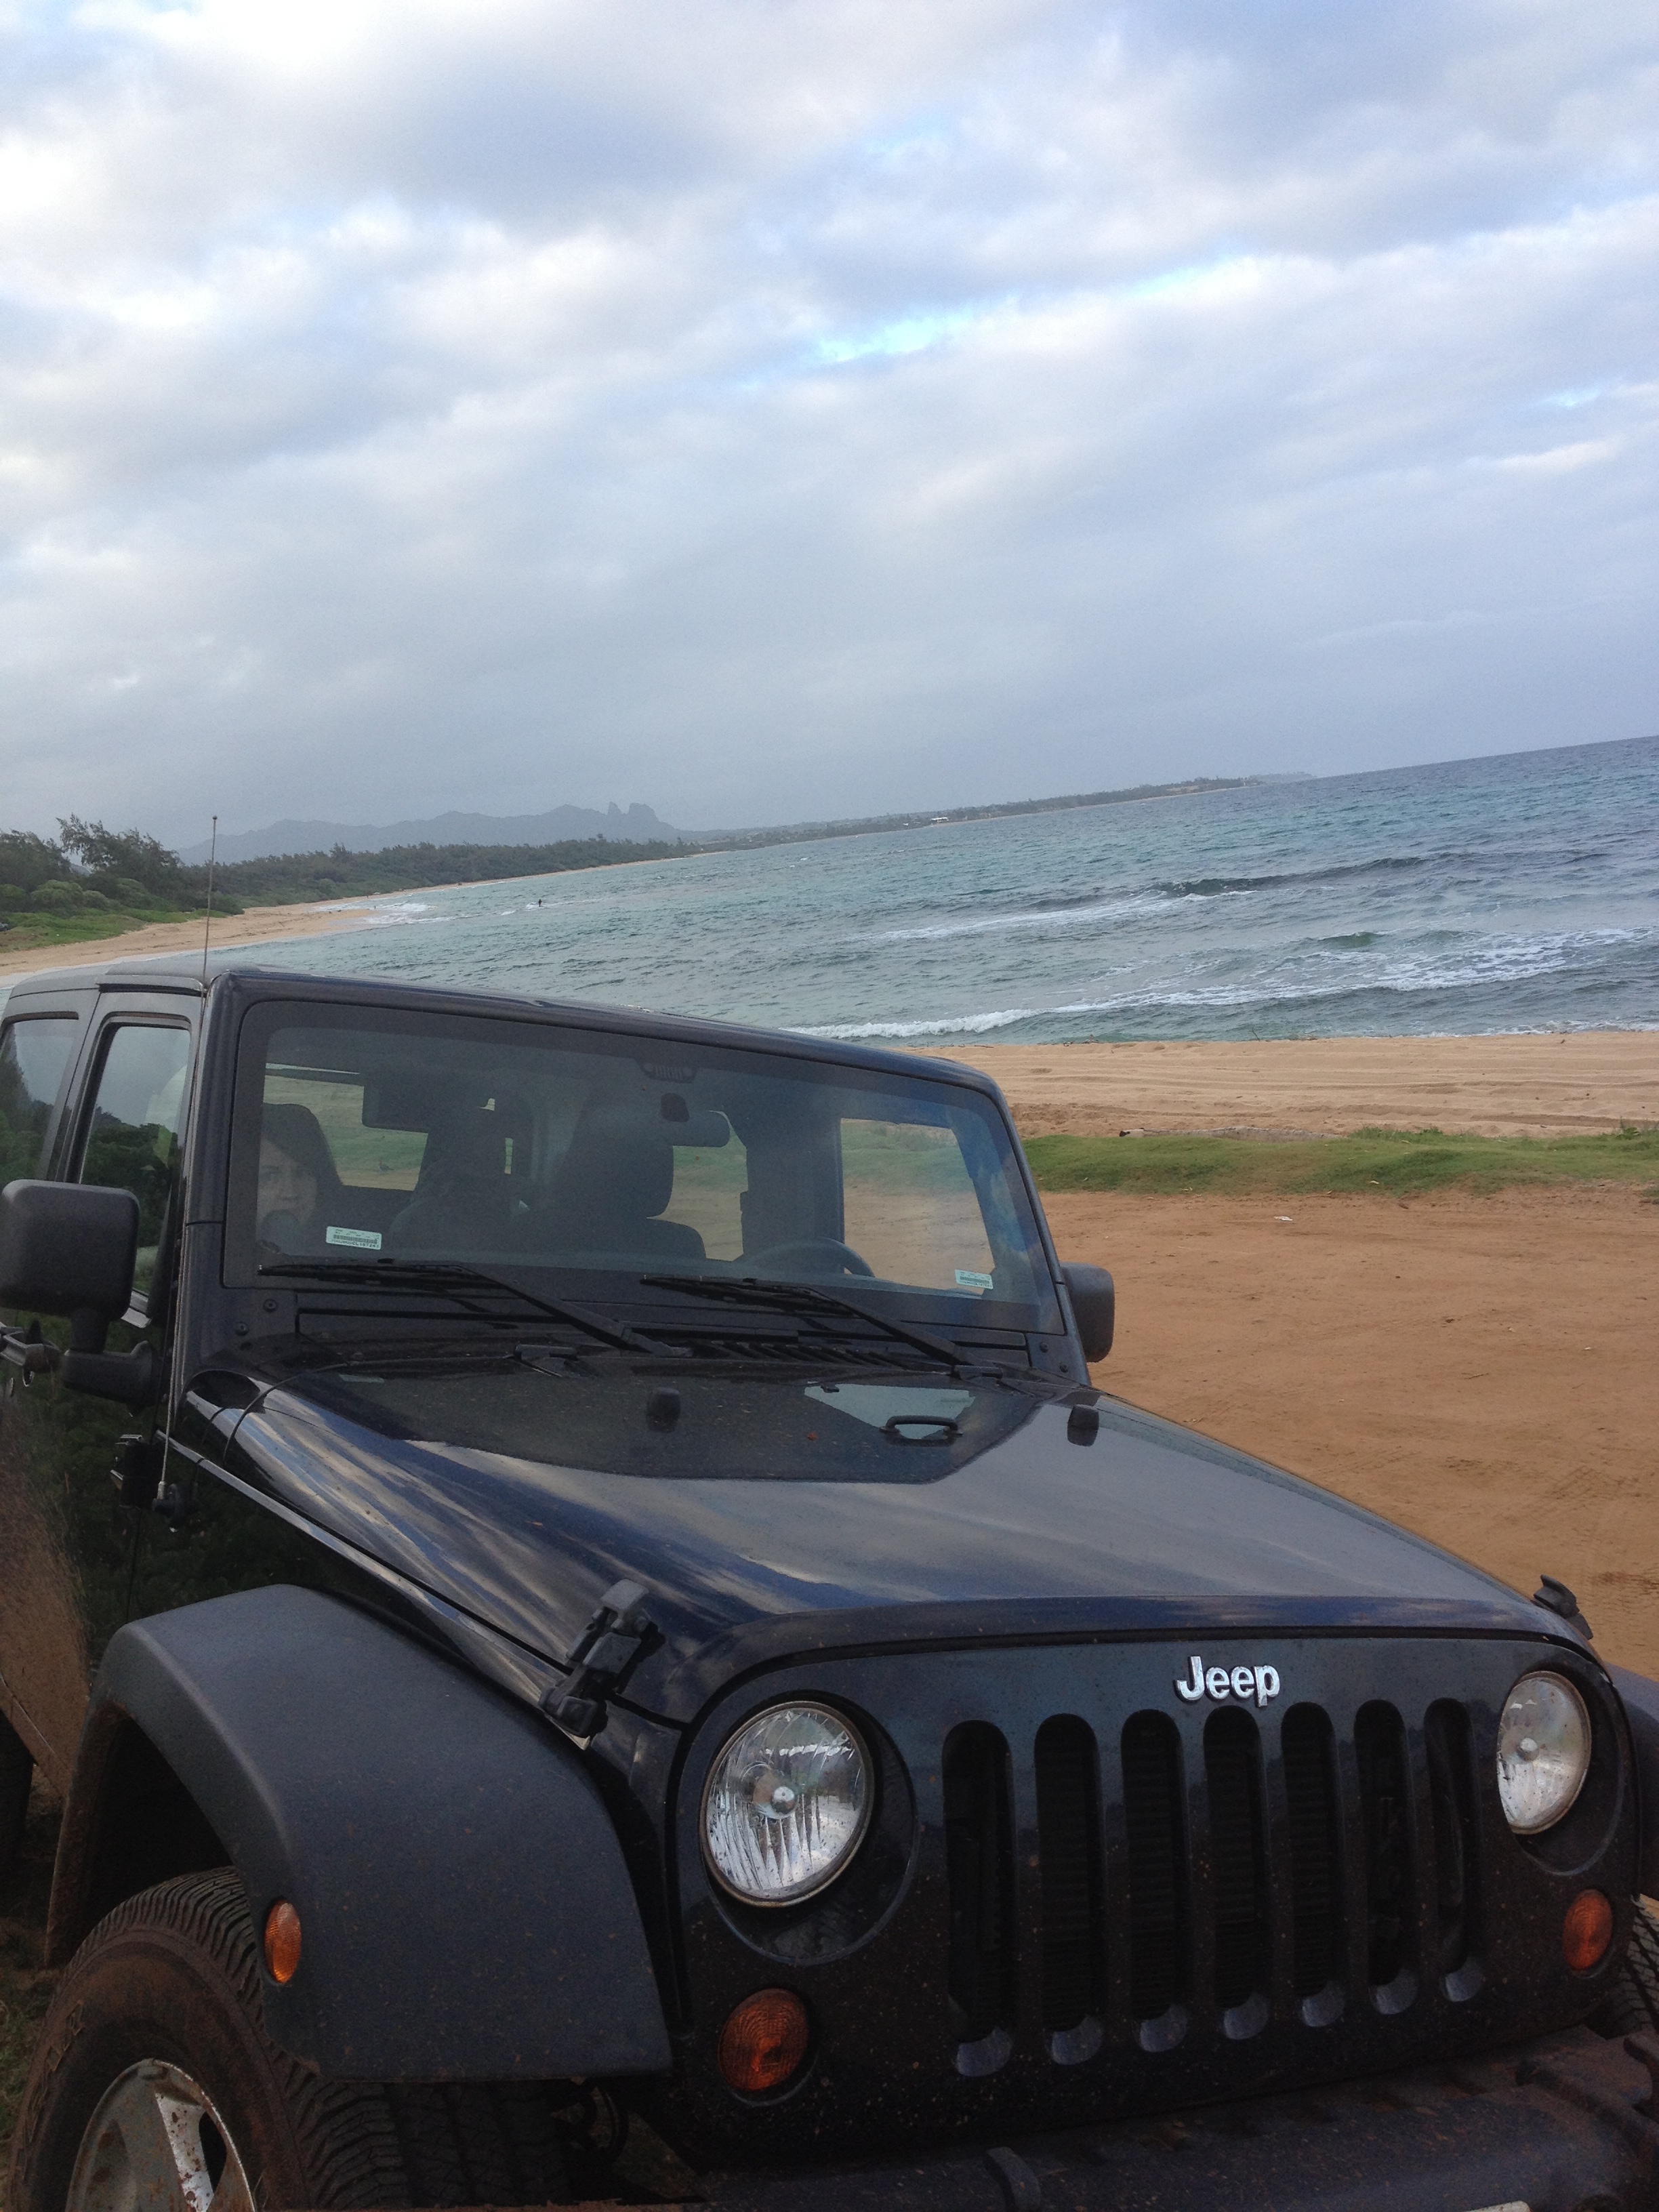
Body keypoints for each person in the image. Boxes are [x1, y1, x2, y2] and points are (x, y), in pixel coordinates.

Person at [257, 1105, 339, 1252]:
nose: (290, 1193)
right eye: (270, 1176)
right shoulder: (217, 1252)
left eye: (301, 1173)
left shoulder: (343, 1256)